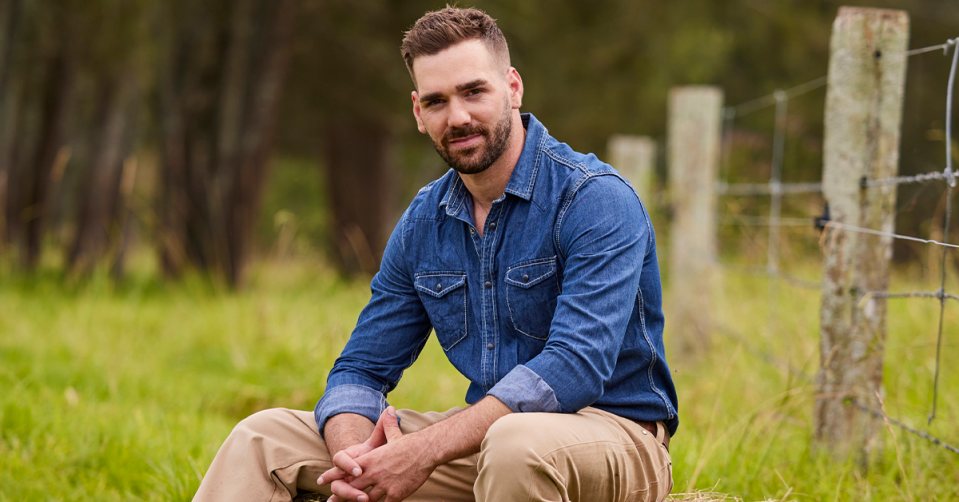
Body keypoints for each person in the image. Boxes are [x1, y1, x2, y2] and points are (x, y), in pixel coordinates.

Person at [193, 6, 678, 502]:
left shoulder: (593, 198)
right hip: (490, 442)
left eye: (474, 91)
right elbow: (360, 369)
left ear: (512, 87)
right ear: (418, 113)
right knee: (263, 437)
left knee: (515, 443)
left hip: (617, 438)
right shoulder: (425, 221)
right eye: (437, 101)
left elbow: (575, 364)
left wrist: (422, 452)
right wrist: (358, 461)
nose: (458, 117)